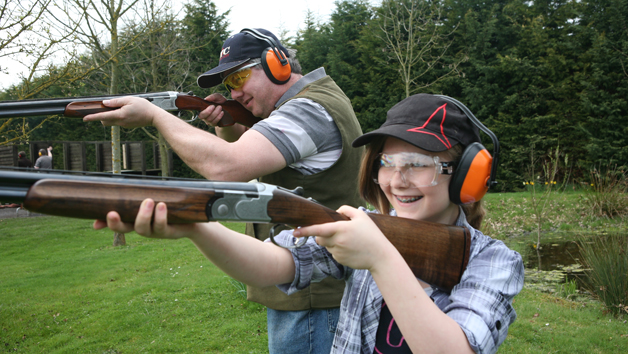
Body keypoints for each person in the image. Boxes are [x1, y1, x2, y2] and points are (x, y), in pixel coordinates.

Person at [95, 93, 524, 354]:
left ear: (469, 176)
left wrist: (380, 259)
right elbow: (275, 264)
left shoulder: (493, 263)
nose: (397, 179)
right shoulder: (365, 228)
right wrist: (196, 227)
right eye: (387, 163)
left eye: (418, 164)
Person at [83, 28, 364, 354]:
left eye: (240, 77)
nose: (235, 92)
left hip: (312, 297)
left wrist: (155, 115)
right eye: (229, 84)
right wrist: (227, 124)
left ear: (278, 63)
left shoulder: (307, 110)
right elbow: (251, 156)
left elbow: (228, 166)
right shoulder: (309, 102)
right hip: (304, 285)